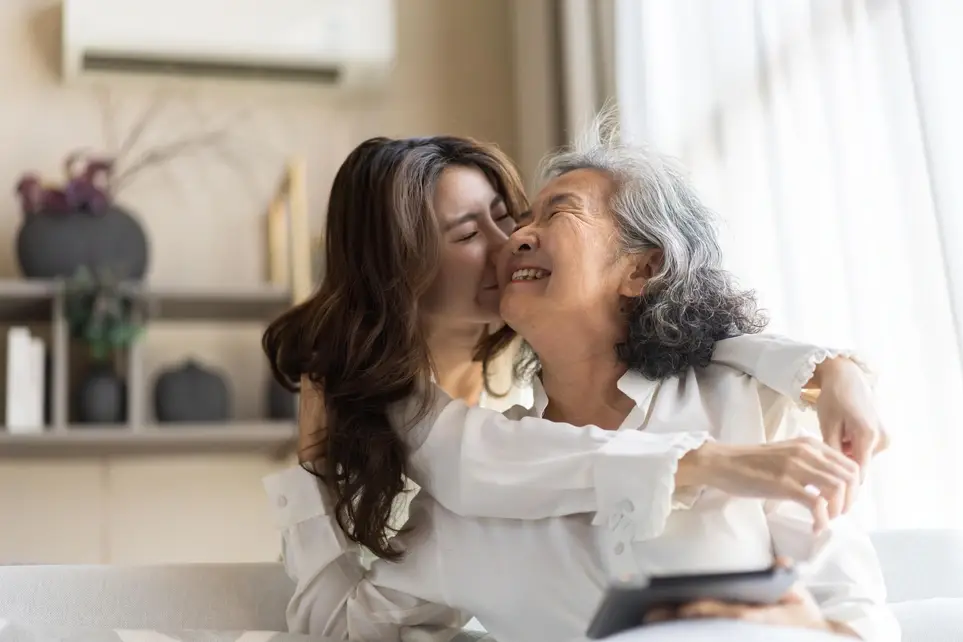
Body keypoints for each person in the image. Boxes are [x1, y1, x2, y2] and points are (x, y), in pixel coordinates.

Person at [262, 127, 896, 640]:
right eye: (470, 232)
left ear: (642, 269)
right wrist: (312, 462)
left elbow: (860, 616)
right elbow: (344, 629)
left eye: (549, 213)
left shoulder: (750, 407)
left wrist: (801, 626)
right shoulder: (464, 499)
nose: (513, 239)